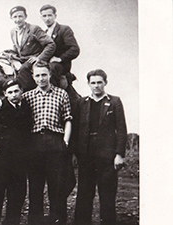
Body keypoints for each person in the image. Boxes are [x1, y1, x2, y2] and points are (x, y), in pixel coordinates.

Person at [72, 69, 127, 225]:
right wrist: (76, 153)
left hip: (107, 156)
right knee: (84, 194)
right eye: (93, 83)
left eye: (99, 82)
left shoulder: (114, 101)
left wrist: (119, 154)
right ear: (88, 84)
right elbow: (76, 129)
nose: (96, 86)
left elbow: (121, 130)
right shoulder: (81, 103)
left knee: (107, 195)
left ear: (105, 83)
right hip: (86, 155)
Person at [23, 62, 72, 225]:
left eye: (44, 74)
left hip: (55, 142)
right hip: (34, 143)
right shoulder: (27, 96)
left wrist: (65, 140)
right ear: (33, 77)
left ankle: (57, 221)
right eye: (37, 75)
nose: (41, 78)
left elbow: (68, 119)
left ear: (50, 75)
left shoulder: (61, 94)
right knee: (35, 188)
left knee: (57, 188)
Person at [0, 79, 32, 225]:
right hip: (2, 159)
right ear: (5, 94)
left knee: (17, 196)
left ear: (21, 91)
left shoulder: (27, 108)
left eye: (16, 91)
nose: (14, 95)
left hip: (21, 160)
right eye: (10, 92)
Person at [4, 6, 56, 91]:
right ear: (11, 18)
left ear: (25, 16)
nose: (18, 19)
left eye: (20, 16)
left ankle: (28, 93)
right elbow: (17, 48)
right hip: (22, 59)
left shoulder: (34, 29)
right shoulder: (13, 31)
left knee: (23, 69)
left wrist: (39, 58)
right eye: (15, 17)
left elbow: (51, 44)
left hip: (34, 60)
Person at [39, 4, 80, 89]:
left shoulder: (63, 29)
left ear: (55, 16)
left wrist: (60, 58)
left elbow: (74, 49)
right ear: (41, 17)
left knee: (51, 68)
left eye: (50, 15)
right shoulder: (44, 32)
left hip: (61, 65)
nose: (47, 18)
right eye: (44, 16)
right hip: (48, 64)